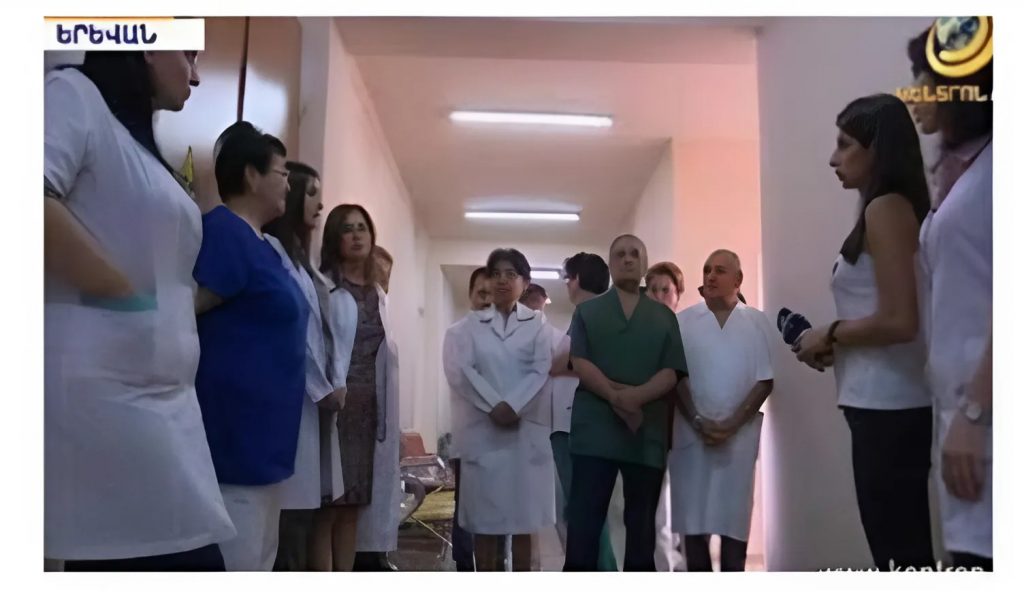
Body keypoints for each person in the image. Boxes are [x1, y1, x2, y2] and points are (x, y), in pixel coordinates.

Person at [45, 50, 236, 571]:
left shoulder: (139, 146)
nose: (196, 75)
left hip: (163, 399)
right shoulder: (73, 95)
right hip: (105, 396)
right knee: (175, 563)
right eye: (189, 56)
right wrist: (123, 293)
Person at [794, 94, 935, 570]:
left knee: (900, 558)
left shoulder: (886, 209)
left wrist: (830, 333)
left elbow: (901, 320)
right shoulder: (883, 209)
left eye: (845, 144)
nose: (833, 158)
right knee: (898, 553)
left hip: (890, 408)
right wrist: (836, 344)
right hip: (881, 405)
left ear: (877, 148)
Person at [191, 122, 307, 571]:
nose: (288, 184)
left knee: (259, 560)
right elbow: (186, 312)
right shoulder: (225, 232)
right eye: (282, 172)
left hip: (267, 442)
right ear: (251, 175)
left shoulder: (267, 247)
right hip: (234, 441)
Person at [907, 20, 993, 570]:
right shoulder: (965, 171)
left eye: (924, 78)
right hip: (960, 409)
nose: (914, 93)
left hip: (986, 410)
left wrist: (977, 411)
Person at [563, 235, 688, 571]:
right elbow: (580, 362)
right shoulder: (588, 312)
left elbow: (672, 371)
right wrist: (616, 396)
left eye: (635, 254)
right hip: (595, 432)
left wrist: (636, 397)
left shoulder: (664, 318)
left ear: (644, 264)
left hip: (645, 433)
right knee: (584, 528)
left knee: (642, 533)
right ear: (610, 264)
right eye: (620, 254)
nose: (628, 259)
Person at [263, 162, 359, 571]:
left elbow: (324, 337)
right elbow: (297, 335)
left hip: (316, 405)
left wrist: (333, 385)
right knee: (286, 524)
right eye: (312, 193)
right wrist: (324, 388)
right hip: (297, 398)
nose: (320, 205)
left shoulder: (304, 266)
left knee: (303, 518)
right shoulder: (273, 253)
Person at [443, 249, 556, 571]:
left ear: (525, 283)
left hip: (524, 435)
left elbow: (541, 367)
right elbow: (462, 371)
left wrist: (514, 405)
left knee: (524, 522)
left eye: (511, 274)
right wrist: (495, 405)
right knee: (485, 524)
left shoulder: (537, 324)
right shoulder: (470, 327)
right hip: (485, 434)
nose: (502, 281)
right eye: (496, 274)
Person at [671, 250, 774, 572]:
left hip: (737, 440)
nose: (711, 276)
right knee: (693, 529)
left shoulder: (756, 322)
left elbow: (765, 380)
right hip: (691, 436)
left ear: (738, 280)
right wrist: (697, 420)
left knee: (734, 529)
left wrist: (731, 425)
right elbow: (676, 377)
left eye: (719, 270)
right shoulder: (683, 322)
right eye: (706, 270)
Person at [320, 204, 402, 571]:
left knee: (354, 503)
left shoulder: (378, 294)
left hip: (369, 411)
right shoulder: (325, 287)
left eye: (362, 228)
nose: (356, 236)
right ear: (334, 238)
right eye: (347, 229)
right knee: (328, 506)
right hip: (334, 407)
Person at [549, 253, 619, 571]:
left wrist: (564, 363)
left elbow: (561, 362)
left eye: (567, 278)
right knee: (583, 508)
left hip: (575, 424)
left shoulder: (590, 314)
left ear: (576, 279)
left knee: (584, 509)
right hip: (577, 422)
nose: (567, 285)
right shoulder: (599, 314)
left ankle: (602, 569)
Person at [444, 267, 493, 571]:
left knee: (498, 510)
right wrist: (498, 405)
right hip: (470, 437)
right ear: (471, 295)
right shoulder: (456, 334)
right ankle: (464, 568)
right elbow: (459, 378)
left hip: (503, 439)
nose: (487, 300)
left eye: (493, 294)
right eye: (481, 293)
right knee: (467, 509)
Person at [643, 262, 687, 572]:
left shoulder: (687, 333)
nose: (659, 296)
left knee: (681, 517)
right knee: (655, 516)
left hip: (684, 432)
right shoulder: (636, 335)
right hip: (646, 433)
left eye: (666, 290)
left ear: (677, 295)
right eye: (653, 290)